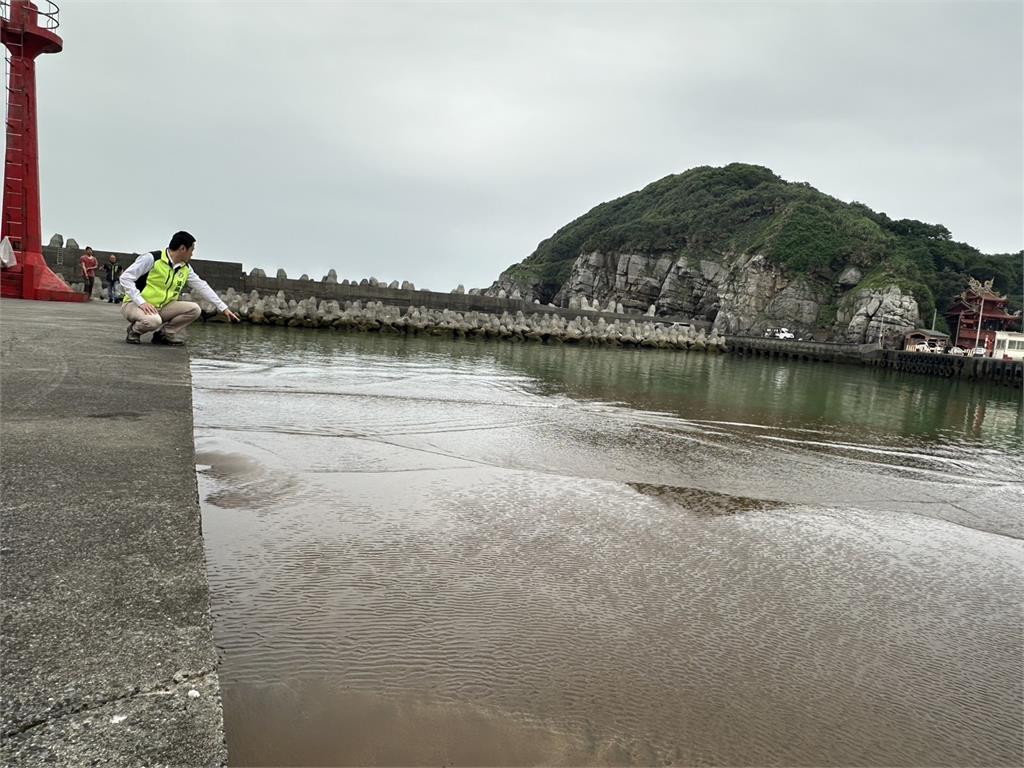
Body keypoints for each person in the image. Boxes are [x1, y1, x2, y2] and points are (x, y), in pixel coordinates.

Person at [119, 231, 240, 345]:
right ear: (183, 248)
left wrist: (223, 308)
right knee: (154, 321)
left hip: (161, 307)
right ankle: (134, 331)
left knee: (195, 309)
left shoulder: (185, 268)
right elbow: (125, 277)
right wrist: (141, 302)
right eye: (191, 250)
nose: (192, 254)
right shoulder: (152, 259)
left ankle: (164, 335)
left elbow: (202, 286)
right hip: (134, 305)